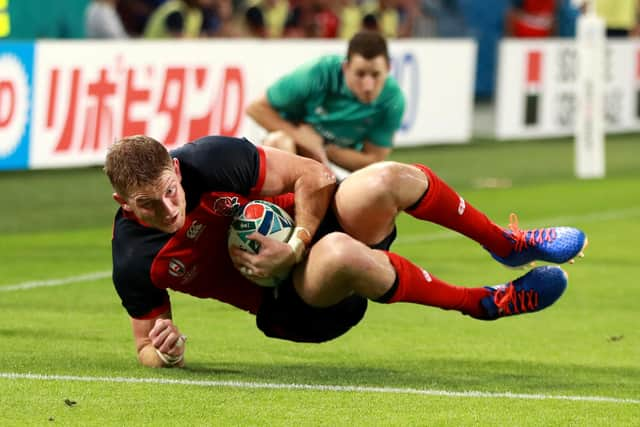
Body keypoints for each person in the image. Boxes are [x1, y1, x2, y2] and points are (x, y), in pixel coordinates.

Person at [104, 134, 588, 368]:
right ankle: (483, 303)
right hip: (291, 305)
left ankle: (508, 245)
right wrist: (164, 352)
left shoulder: (209, 160)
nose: (169, 209)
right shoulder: (133, 258)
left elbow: (316, 177)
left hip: (306, 235)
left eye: (170, 190)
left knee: (389, 177)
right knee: (337, 251)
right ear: (122, 203)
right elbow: (144, 344)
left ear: (174, 166)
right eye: (148, 204)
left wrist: (295, 244)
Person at [245, 30, 405, 180]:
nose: (368, 86)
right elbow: (256, 108)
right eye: (360, 74)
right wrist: (299, 136)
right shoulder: (318, 73)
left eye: (376, 75)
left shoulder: (392, 100)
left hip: (331, 159)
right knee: (279, 141)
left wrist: (322, 148)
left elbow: (373, 161)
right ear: (346, 67)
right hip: (292, 147)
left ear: (388, 69)